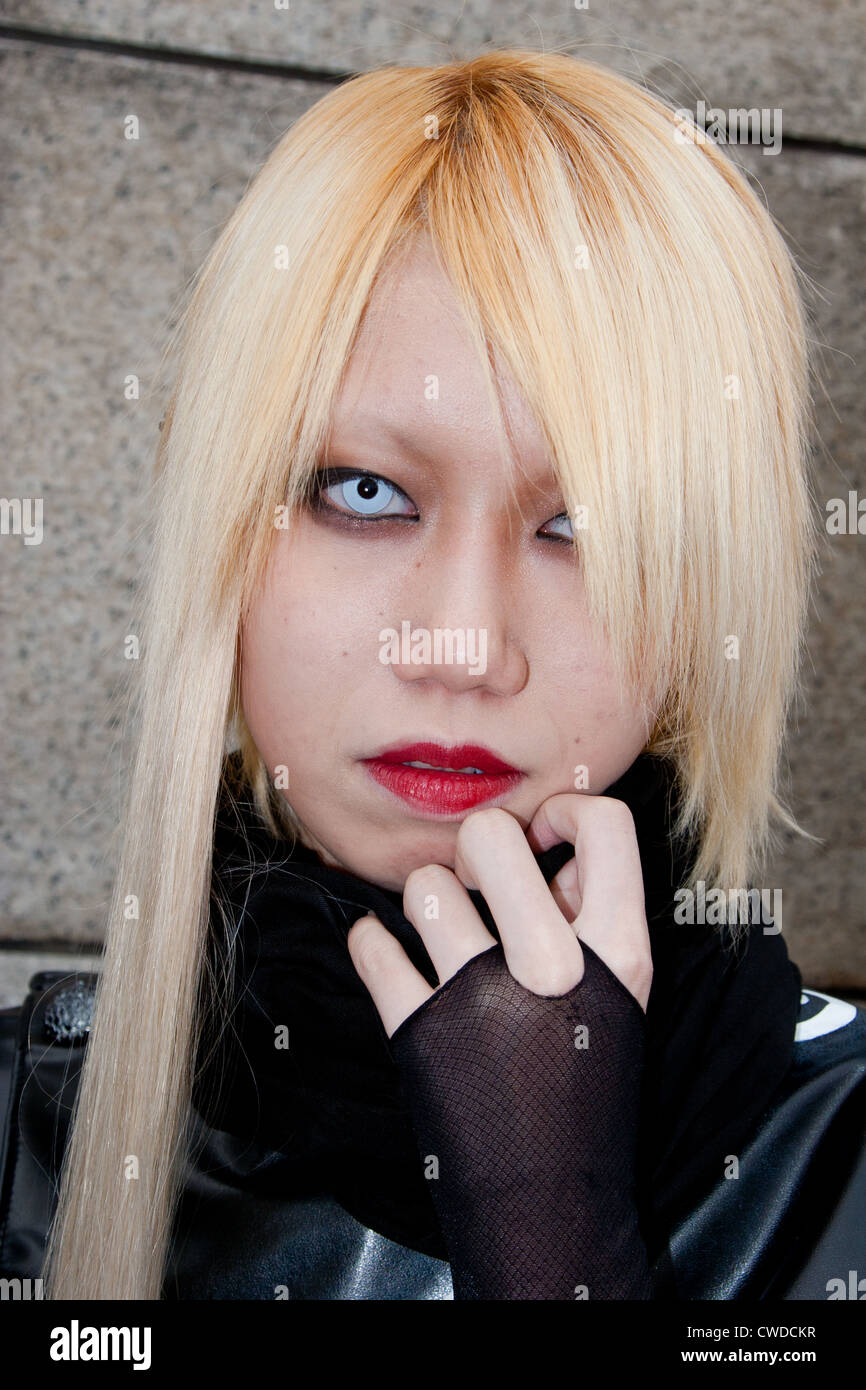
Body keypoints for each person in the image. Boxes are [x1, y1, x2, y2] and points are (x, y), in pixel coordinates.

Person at [40, 48, 819, 1300]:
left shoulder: (831, 1151)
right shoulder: (30, 1138)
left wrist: (554, 1249)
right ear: (220, 537)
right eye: (364, 494)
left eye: (591, 527)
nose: (463, 646)